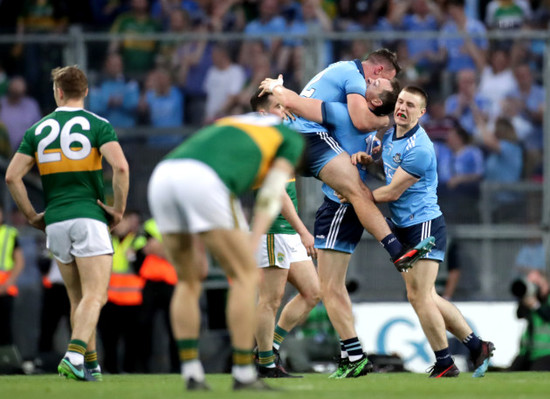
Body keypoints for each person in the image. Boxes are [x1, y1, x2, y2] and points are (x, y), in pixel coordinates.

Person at [260, 58, 435, 378]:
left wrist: (277, 89)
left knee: (328, 287)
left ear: (376, 101)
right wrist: (367, 159)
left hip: (336, 206)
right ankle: (317, 351)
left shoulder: (345, 114)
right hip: (354, 204)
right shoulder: (387, 130)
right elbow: (384, 163)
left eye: (375, 85)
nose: (368, 82)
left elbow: (296, 102)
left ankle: (349, 356)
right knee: (318, 290)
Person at [147, 112, 304, 390]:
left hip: (163, 173)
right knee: (244, 275)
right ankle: (244, 374)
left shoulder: (238, 121)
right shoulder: (291, 138)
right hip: (204, 180)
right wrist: (254, 239)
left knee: (189, 279)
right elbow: (270, 196)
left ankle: (192, 372)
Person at [350, 85, 495, 378]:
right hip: (404, 225)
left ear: (422, 113)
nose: (402, 108)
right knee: (425, 295)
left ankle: (445, 363)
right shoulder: (390, 133)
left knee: (420, 297)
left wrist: (355, 193)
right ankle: (477, 345)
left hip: (424, 224)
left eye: (410, 105)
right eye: (400, 102)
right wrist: (372, 163)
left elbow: (390, 192)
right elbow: (389, 170)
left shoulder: (421, 149)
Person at [5, 65, 130, 382]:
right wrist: (118, 210)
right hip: (87, 216)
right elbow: (121, 168)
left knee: (78, 298)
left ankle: (91, 365)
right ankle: (74, 356)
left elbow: (12, 176)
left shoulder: (38, 129)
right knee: (96, 296)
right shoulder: (98, 125)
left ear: (58, 92)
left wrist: (33, 215)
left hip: (55, 221)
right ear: (85, 91)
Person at [249, 90, 321, 378]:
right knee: (270, 299)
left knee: (313, 292)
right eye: (279, 106)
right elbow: (278, 194)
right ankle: (266, 363)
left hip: (286, 229)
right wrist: (304, 231)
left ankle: (268, 348)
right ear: (265, 113)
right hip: (274, 228)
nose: (285, 110)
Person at [0, 205, 25, 347]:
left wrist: (8, 283)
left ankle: (6, 361)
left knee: (5, 328)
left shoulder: (9, 233)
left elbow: (19, 261)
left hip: (5, 289)